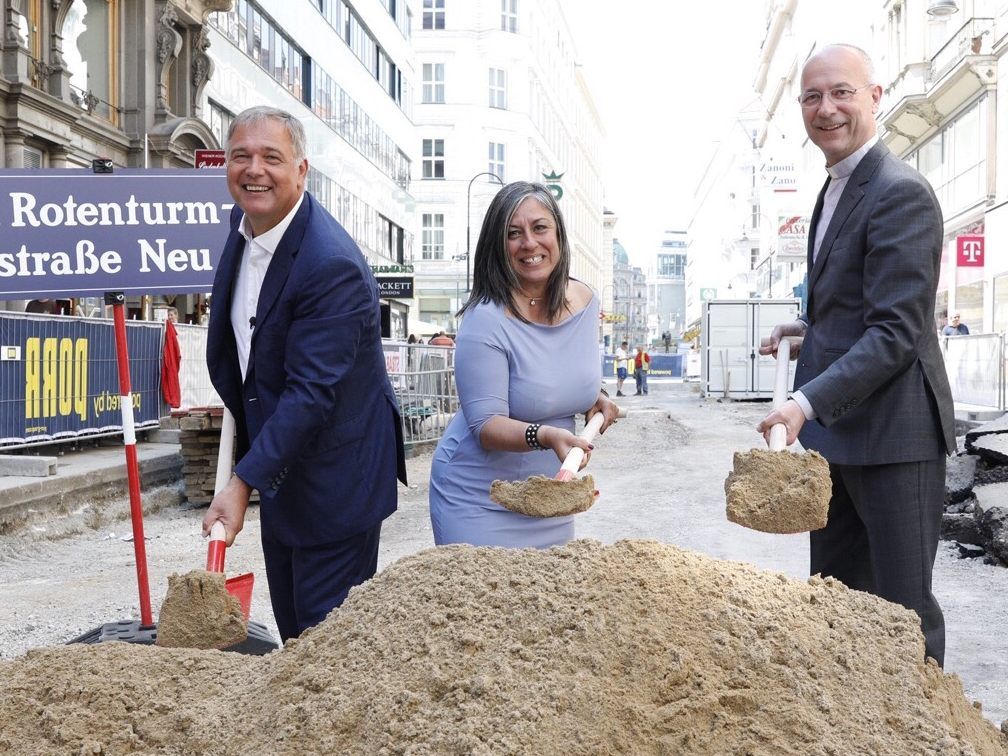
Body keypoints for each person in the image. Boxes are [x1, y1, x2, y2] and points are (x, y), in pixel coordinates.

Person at [756, 44, 955, 665]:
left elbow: (896, 329)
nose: (827, 108)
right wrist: (805, 326)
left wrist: (803, 403)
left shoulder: (901, 192)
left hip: (895, 436)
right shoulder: (835, 187)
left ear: (876, 96)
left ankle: (923, 733)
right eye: (812, 96)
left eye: (842, 92)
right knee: (837, 601)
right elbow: (857, 301)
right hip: (840, 437)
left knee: (902, 613)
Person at [203, 105, 407, 643]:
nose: (254, 170)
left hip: (336, 479)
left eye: (272, 157)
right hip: (286, 469)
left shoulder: (329, 264)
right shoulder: (245, 228)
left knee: (324, 648)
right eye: (240, 156)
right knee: (295, 635)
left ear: (301, 170)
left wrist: (241, 482)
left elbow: (311, 394)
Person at [428, 181, 620, 548]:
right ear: (498, 247)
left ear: (559, 235)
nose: (529, 243)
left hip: (549, 498)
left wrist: (596, 397)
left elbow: (560, 371)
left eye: (540, 227)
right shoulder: (484, 320)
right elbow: (486, 425)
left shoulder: (586, 302)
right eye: (513, 234)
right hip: (479, 498)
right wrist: (546, 435)